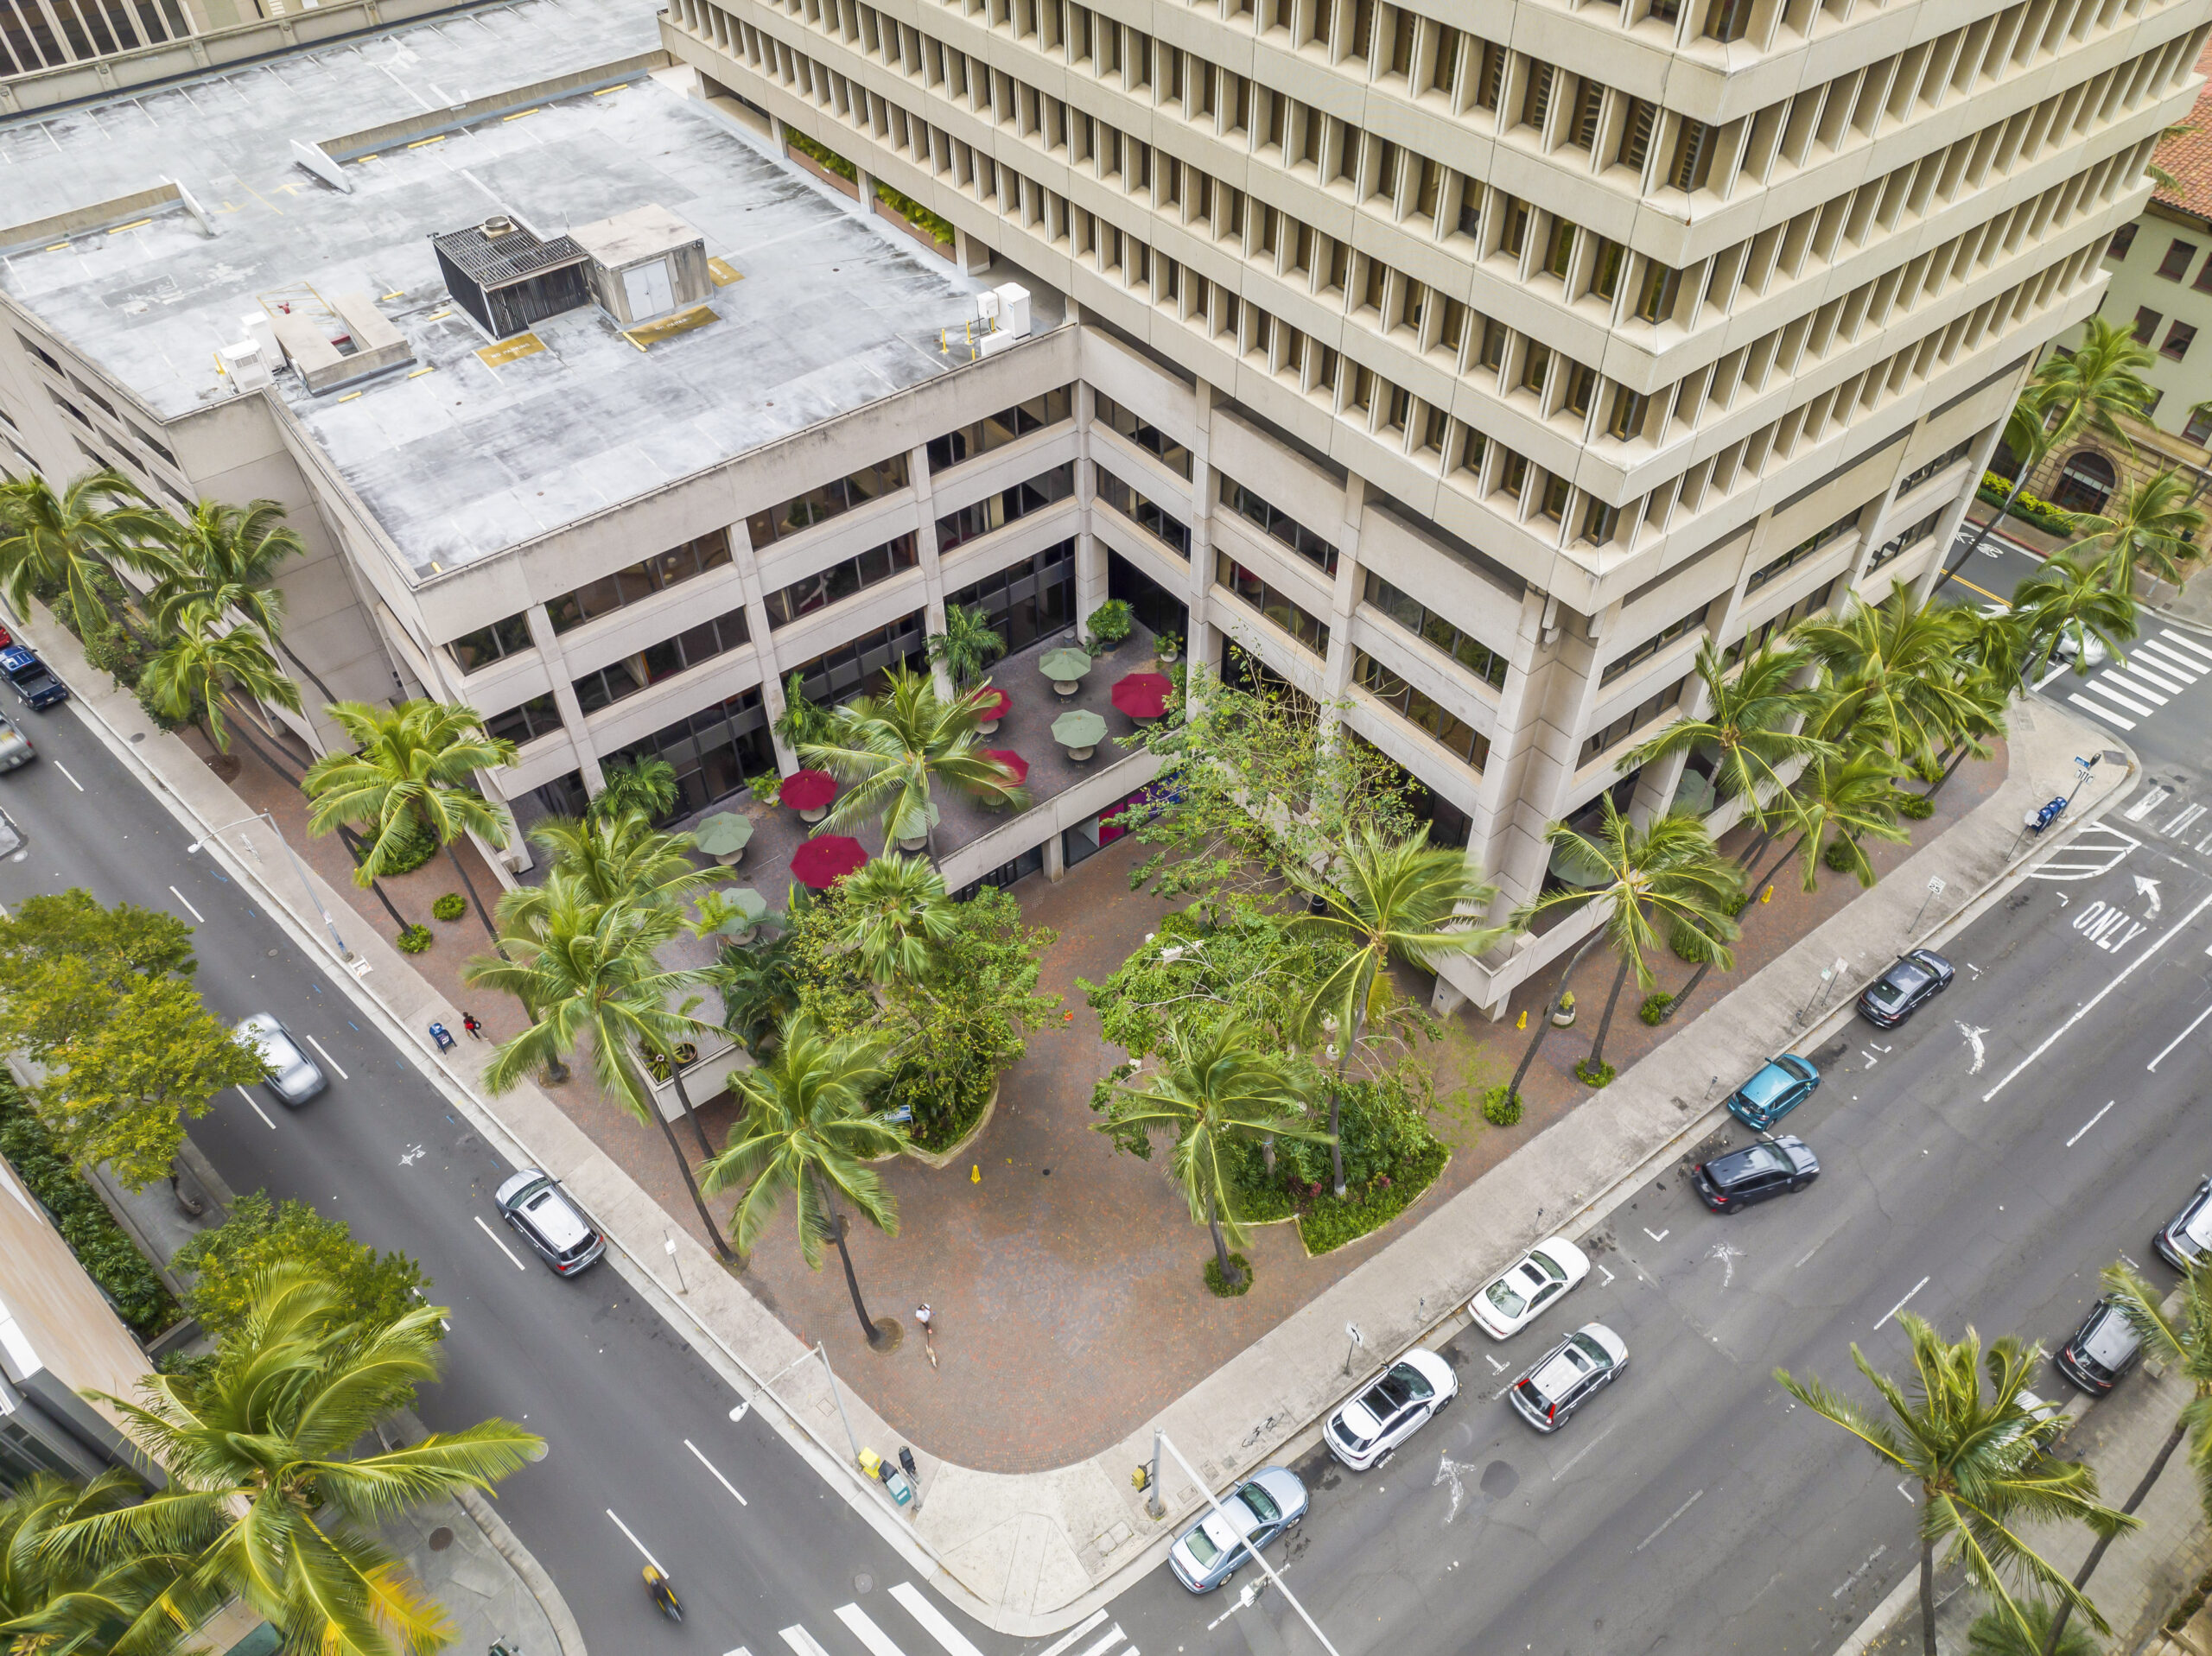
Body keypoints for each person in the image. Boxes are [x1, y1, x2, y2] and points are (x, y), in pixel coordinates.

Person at [914, 1303, 937, 1369]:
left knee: (927, 1323)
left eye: (924, 1309)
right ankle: (928, 1328)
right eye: (923, 1309)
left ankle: (928, 1326)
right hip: (924, 1321)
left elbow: (929, 1308)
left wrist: (932, 1312)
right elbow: (918, 1318)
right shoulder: (918, 1313)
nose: (924, 1310)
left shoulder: (926, 1306)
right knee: (926, 1325)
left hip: (927, 1318)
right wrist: (922, 1321)